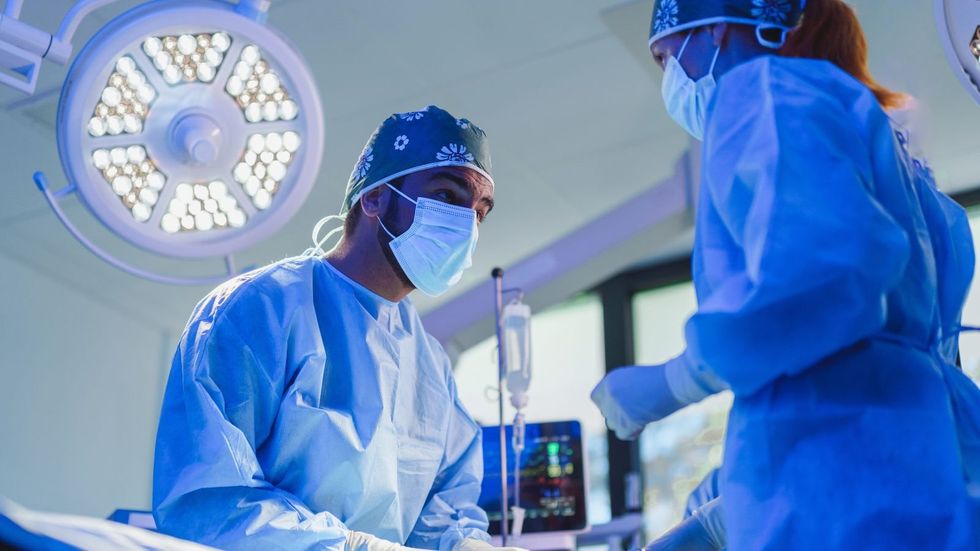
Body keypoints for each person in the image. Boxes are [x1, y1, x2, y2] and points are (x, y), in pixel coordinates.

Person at [591, 0, 980, 548]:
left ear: (714, 29)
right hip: (900, 466)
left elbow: (823, 281)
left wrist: (672, 381)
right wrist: (740, 499)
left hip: (844, 488)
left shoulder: (763, 92)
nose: (670, 81)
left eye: (665, 58)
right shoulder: (902, 163)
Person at [153, 105, 519, 551]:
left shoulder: (430, 366)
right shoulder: (259, 310)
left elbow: (443, 514)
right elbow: (211, 505)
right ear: (374, 197)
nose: (466, 225)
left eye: (480, 212)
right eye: (446, 196)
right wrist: (351, 547)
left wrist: (463, 546)